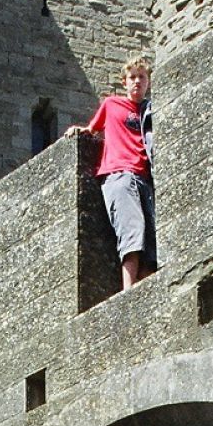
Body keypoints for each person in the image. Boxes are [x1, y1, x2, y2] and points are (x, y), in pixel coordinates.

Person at [66, 57, 156, 290]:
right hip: (119, 176)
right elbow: (90, 130)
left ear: (148, 82)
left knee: (151, 241)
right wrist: (78, 131)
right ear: (124, 82)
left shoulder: (149, 111)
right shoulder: (111, 104)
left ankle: (143, 288)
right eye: (132, 77)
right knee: (132, 233)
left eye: (142, 77)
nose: (137, 82)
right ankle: (129, 289)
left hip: (144, 179)